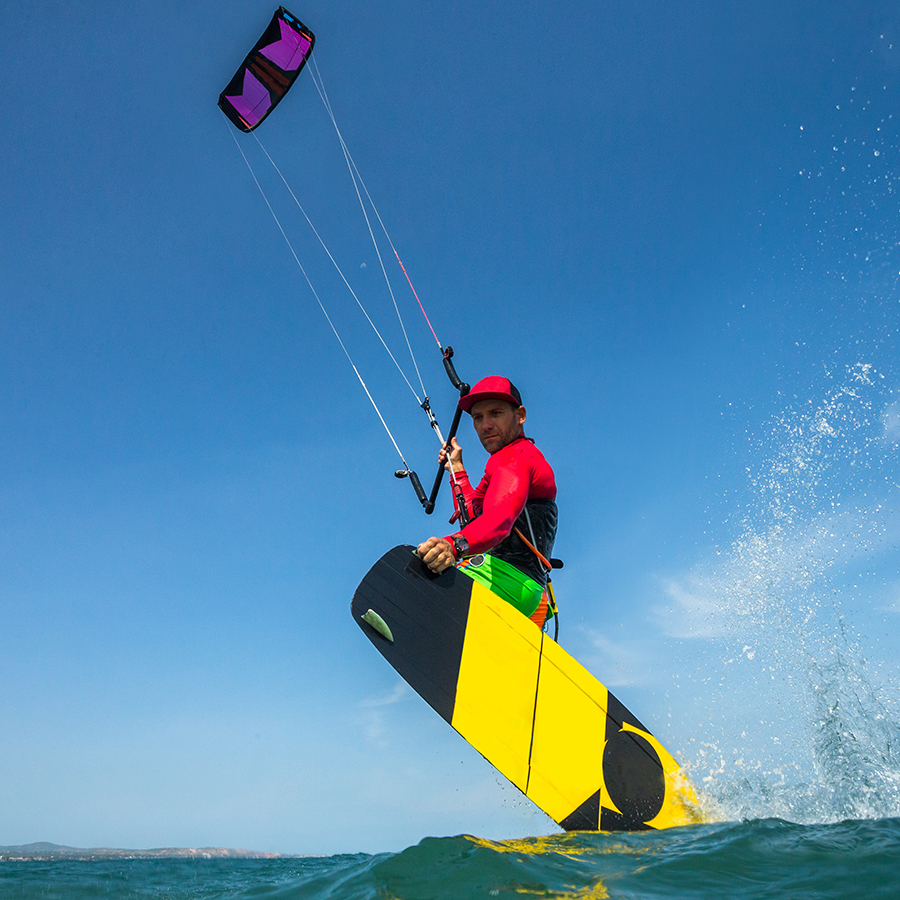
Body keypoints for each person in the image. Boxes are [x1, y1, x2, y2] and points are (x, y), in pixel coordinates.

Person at [417, 376, 558, 626]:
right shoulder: (506, 461)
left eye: (496, 413)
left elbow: (499, 519)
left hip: (505, 581)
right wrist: (456, 468)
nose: (485, 425)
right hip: (533, 596)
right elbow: (473, 515)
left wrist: (452, 546)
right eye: (478, 418)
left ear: (520, 415)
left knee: (416, 585)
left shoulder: (516, 458)